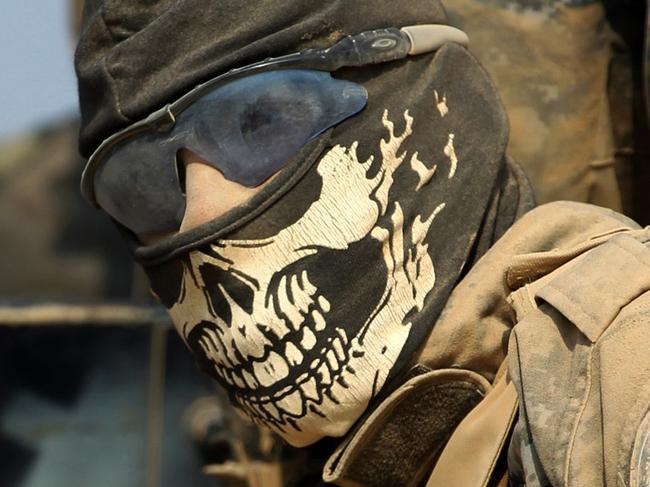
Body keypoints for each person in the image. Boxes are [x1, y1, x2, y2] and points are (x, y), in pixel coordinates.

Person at [74, 1, 650, 485]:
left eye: (262, 123)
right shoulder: (271, 463)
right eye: (140, 185)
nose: (200, 218)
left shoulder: (620, 391)